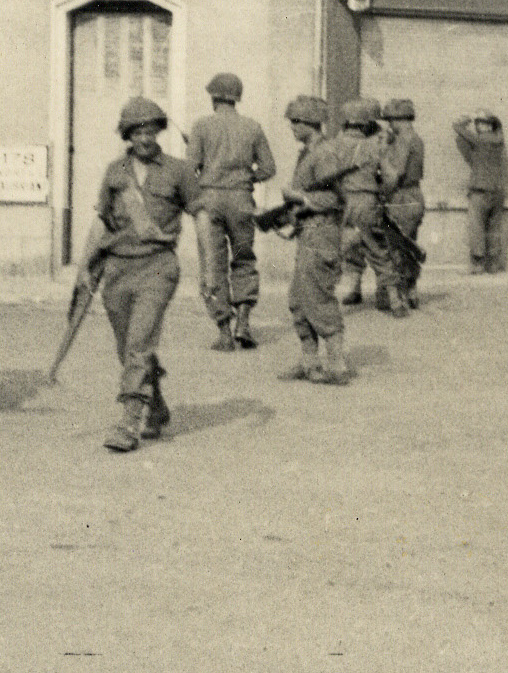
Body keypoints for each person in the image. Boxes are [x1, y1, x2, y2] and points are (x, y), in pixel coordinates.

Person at [73, 97, 201, 452]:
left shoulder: (179, 170)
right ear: (128, 135)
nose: (145, 138)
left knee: (139, 343)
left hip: (157, 266)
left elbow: (201, 216)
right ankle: (156, 407)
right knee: (128, 346)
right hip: (117, 269)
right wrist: (85, 267)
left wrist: (211, 271)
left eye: (150, 131)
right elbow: (101, 221)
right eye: (137, 132)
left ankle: (129, 422)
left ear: (159, 132)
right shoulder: (115, 172)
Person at [186, 71, 277, 350]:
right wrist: (247, 177)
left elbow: (189, 169)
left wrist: (205, 172)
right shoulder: (252, 127)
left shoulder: (201, 126)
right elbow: (268, 168)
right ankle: (244, 324)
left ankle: (224, 332)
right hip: (241, 201)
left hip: (209, 202)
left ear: (213, 97)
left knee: (213, 265)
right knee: (243, 259)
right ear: (237, 98)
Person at [279, 94, 355, 384]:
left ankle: (337, 365)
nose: (292, 127)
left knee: (318, 297)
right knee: (298, 299)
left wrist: (300, 197)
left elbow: (336, 198)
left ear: (310, 122)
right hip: (308, 231)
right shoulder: (308, 152)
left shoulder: (325, 153)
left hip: (322, 232)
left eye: (296, 122)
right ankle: (309, 362)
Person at [335, 98, 399, 311]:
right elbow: (391, 177)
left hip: (343, 202)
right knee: (377, 248)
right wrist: (382, 193)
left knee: (349, 247)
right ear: (366, 123)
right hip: (367, 201)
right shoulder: (374, 146)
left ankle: (353, 290)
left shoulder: (335, 144)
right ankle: (394, 299)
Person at [380, 97, 426, 311]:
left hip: (401, 197)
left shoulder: (403, 140)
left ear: (399, 119)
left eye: (390, 120)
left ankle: (397, 296)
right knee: (409, 245)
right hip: (415, 195)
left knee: (395, 248)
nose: (389, 125)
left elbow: (393, 175)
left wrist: (382, 154)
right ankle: (412, 291)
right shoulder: (415, 138)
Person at [454, 110, 508, 273]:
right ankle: (493, 264)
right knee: (494, 227)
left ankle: (478, 265)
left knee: (477, 227)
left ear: (487, 126)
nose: (478, 126)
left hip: (479, 190)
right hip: (498, 190)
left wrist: (466, 118)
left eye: (481, 123)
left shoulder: (479, 140)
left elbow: (457, 127)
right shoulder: (499, 139)